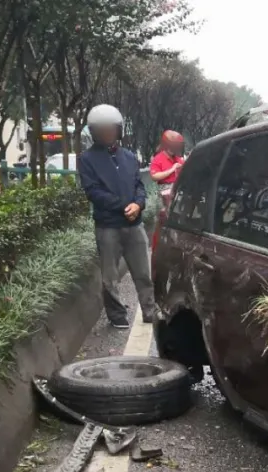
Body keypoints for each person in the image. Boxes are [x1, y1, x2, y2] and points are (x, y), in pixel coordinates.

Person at [77, 104, 159, 329]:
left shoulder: (130, 157)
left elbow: (139, 186)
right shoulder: (87, 159)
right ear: (94, 132)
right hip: (108, 227)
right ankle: (117, 316)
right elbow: (93, 191)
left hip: (135, 224)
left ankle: (150, 311)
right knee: (109, 277)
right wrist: (125, 205)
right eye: (102, 130)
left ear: (119, 130)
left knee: (143, 272)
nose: (107, 133)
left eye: (111, 129)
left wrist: (139, 204)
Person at [149, 130, 185, 209]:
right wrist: (172, 169)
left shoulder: (179, 159)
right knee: (165, 214)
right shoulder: (158, 159)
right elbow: (154, 176)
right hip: (165, 190)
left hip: (178, 190)